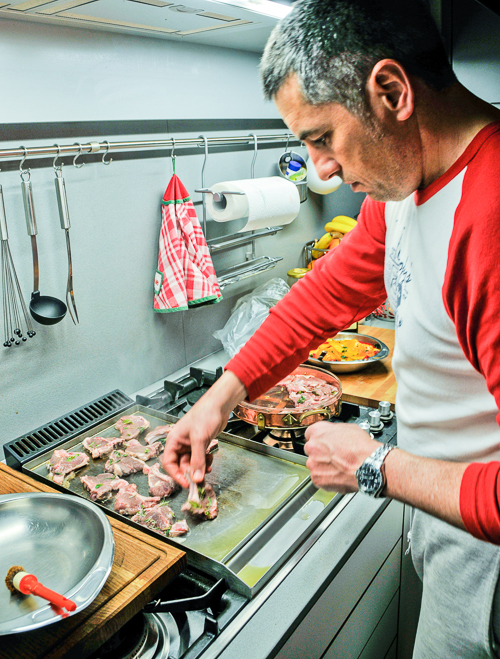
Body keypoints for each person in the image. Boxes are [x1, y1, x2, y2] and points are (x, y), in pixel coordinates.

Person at [162, 0, 500, 656]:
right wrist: (218, 400)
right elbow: (320, 298)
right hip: (450, 522)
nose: (319, 169)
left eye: (322, 137)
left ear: (392, 91)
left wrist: (374, 465)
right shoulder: (405, 191)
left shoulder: (490, 215)